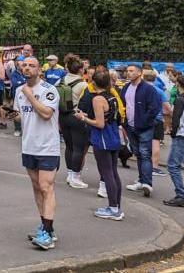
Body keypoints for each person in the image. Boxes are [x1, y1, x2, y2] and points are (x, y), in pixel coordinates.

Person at [16, 57, 60, 250]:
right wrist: (12, 115)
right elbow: (21, 115)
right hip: (29, 145)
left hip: (47, 146)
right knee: (36, 187)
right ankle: (45, 227)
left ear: (39, 70)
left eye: (31, 65)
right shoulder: (19, 91)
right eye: (24, 65)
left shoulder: (49, 90)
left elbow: (46, 113)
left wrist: (30, 95)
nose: (27, 68)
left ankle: (48, 233)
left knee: (46, 186)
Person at [75, 71, 124, 220]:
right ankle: (116, 206)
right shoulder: (113, 96)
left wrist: (83, 118)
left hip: (103, 138)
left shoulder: (98, 99)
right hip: (114, 135)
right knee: (113, 173)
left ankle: (113, 208)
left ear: (93, 83)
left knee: (107, 173)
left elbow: (100, 123)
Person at [121, 64, 163, 197]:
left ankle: (147, 184)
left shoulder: (148, 89)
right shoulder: (126, 87)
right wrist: (124, 122)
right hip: (130, 126)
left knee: (145, 154)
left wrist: (145, 120)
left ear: (139, 73)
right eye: (127, 71)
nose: (128, 73)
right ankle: (141, 180)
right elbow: (123, 105)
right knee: (138, 153)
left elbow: (155, 107)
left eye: (132, 71)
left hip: (144, 127)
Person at [59, 54, 91, 189]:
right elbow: (87, 103)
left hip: (63, 116)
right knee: (79, 148)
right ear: (80, 70)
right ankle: (76, 177)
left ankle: (70, 174)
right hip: (77, 117)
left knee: (69, 147)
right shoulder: (84, 84)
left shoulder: (62, 80)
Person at [164, 75, 184, 208]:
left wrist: (173, 134)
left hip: (182, 137)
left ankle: (181, 195)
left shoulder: (180, 100)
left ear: (179, 85)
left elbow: (176, 120)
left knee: (173, 166)